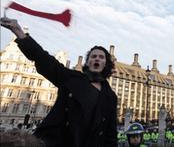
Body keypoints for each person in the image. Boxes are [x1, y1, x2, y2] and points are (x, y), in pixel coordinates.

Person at [0, 17, 117, 147]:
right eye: (93, 56)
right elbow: (44, 60)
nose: (97, 58)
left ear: (106, 63)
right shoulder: (72, 78)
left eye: (101, 57)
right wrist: (18, 31)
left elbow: (110, 134)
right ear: (88, 62)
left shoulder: (110, 96)